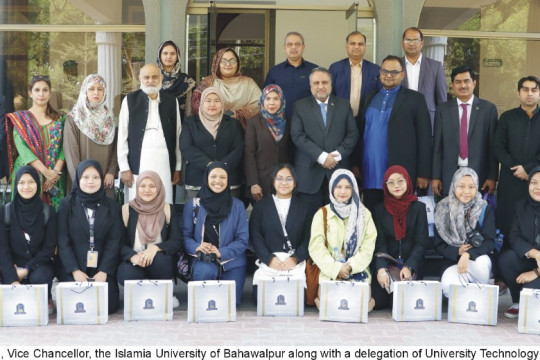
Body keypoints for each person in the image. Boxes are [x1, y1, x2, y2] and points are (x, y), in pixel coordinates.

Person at [354, 55, 432, 212]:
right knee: (372, 217)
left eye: (394, 72)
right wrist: (355, 164)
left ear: (403, 74)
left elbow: (425, 138)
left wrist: (423, 172)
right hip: (369, 172)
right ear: (380, 72)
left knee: (399, 219)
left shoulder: (415, 99)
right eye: (385, 71)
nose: (389, 75)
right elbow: (360, 132)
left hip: (400, 173)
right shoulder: (369, 97)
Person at [290, 67, 359, 216]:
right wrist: (321, 156)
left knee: (338, 222)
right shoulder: (299, 106)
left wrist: (336, 155)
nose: (320, 86)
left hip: (337, 173)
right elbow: (297, 135)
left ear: (331, 84)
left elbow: (353, 134)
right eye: (316, 83)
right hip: (309, 177)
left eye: (324, 82)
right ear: (310, 86)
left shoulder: (343, 105)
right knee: (309, 224)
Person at [57, 160, 121, 314]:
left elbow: (114, 241)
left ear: (101, 180)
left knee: (108, 306)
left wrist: (104, 271)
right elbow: (62, 241)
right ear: (78, 179)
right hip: (75, 267)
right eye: (85, 177)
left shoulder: (112, 206)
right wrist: (74, 270)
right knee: (73, 305)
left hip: (101, 268)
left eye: (95, 177)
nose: (90, 181)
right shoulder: (66, 205)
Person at [308, 169, 376, 308]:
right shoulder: (322, 214)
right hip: (330, 271)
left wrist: (350, 267)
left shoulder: (364, 215)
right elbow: (316, 248)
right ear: (332, 188)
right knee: (329, 305)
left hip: (358, 270)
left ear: (354, 189)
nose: (343, 191)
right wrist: (336, 268)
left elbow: (368, 247)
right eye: (338, 187)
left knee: (360, 306)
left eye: (347, 187)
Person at [183, 162, 249, 305]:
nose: (217, 181)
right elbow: (185, 237)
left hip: (232, 261)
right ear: (206, 178)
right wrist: (197, 247)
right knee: (205, 300)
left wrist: (220, 252)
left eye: (222, 177)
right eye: (213, 176)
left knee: (230, 303)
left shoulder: (237, 205)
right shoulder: (193, 205)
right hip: (203, 260)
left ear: (228, 180)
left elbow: (243, 240)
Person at [117, 63, 182, 204]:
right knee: (138, 204)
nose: (150, 80)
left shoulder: (171, 101)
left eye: (154, 77)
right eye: (146, 77)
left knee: (165, 203)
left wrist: (178, 166)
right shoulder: (129, 100)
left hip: (165, 165)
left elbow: (178, 136)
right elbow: (122, 136)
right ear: (140, 78)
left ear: (161, 77)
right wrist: (124, 168)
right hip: (138, 164)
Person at [432, 66, 498, 197]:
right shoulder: (442, 110)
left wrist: (492, 176)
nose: (463, 85)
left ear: (474, 83)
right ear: (452, 85)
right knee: (451, 214)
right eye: (458, 82)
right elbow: (437, 147)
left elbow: (492, 147)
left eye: (467, 81)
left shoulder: (488, 109)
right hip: (449, 174)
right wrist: (436, 176)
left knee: (476, 215)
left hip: (479, 173)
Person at [0, 166, 56, 314]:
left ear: (37, 184)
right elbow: (2, 249)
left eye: (31, 182)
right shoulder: (5, 211)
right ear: (16, 185)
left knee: (41, 276)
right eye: (21, 182)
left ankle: (45, 297)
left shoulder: (47, 212)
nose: (26, 187)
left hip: (37, 265)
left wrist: (27, 269)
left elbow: (48, 248)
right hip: (12, 265)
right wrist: (13, 279)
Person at [372, 165, 429, 310]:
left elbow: (421, 242)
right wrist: (381, 269)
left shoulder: (419, 208)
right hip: (388, 266)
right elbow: (380, 244)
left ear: (408, 182)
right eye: (391, 182)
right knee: (379, 300)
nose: (396, 185)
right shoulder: (379, 210)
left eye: (400, 181)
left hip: (411, 267)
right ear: (385, 185)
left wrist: (409, 266)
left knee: (402, 303)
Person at [6, 75, 66, 209]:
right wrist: (46, 172)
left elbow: (64, 147)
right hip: (27, 176)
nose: (41, 94)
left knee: (54, 218)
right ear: (30, 93)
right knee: (26, 216)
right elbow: (23, 150)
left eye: (45, 90)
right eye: (37, 90)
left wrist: (55, 173)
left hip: (55, 177)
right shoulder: (20, 119)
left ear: (50, 93)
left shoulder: (60, 119)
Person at [433, 167, 495, 297]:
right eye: (461, 186)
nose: (466, 191)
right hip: (452, 262)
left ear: (477, 187)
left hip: (477, 260)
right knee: (449, 289)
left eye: (471, 187)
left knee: (482, 264)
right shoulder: (443, 209)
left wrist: (468, 254)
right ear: (454, 185)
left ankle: (474, 293)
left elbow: (490, 242)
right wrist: (458, 252)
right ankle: (472, 296)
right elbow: (438, 244)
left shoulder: (483, 207)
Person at [494, 76, 540, 239]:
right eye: (525, 90)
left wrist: (528, 169)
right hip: (510, 179)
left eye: (534, 90)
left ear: (539, 93)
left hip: (536, 180)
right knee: (508, 223)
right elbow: (498, 147)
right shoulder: (507, 117)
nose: (529, 93)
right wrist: (516, 168)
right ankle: (508, 260)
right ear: (518, 93)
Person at [117, 170, 182, 285]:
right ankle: (138, 298)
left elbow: (176, 241)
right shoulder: (126, 209)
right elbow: (119, 242)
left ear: (159, 188)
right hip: (135, 259)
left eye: (152, 186)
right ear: (137, 188)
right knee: (127, 273)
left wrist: (155, 248)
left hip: (158, 260)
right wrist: (133, 257)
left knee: (161, 262)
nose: (147, 190)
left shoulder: (168, 209)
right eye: (143, 186)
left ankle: (165, 294)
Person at [180, 87, 244, 201]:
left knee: (228, 217)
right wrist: (209, 164)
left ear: (222, 103)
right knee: (198, 217)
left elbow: (239, 148)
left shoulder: (233, 123)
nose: (212, 104)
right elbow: (186, 147)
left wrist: (223, 166)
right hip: (197, 179)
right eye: (208, 100)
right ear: (201, 103)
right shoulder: (190, 123)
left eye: (216, 101)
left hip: (229, 180)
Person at [250, 164, 310, 275]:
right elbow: (255, 236)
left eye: (289, 179)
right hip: (267, 265)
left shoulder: (305, 207)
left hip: (295, 265)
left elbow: (309, 238)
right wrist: (269, 259)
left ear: (295, 183)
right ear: (273, 182)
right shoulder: (261, 206)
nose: (284, 183)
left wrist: (296, 258)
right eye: (279, 178)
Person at [63, 74, 117, 198]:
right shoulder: (74, 118)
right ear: (85, 91)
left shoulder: (110, 118)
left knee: (104, 214)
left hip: (105, 180)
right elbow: (71, 153)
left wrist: (111, 172)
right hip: (81, 181)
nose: (96, 92)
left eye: (100, 89)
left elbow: (115, 148)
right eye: (91, 89)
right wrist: (81, 179)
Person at [498, 166, 540, 319]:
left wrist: (535, 273)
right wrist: (535, 254)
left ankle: (527, 300)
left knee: (530, 289)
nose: (537, 188)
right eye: (534, 183)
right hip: (532, 258)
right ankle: (518, 301)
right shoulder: (521, 206)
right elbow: (515, 237)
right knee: (507, 259)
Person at [191, 47, 261, 129]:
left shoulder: (248, 83)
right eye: (223, 61)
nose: (228, 64)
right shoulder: (207, 83)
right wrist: (218, 115)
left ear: (238, 63)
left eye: (232, 61)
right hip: (212, 132)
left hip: (243, 133)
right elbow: (196, 106)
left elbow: (259, 104)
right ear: (217, 63)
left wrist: (238, 114)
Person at [245, 84, 292, 201]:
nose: (271, 103)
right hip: (261, 182)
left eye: (276, 99)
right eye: (268, 98)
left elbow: (292, 152)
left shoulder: (289, 122)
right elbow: (248, 154)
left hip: (284, 182)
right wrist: (253, 183)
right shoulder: (254, 122)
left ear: (282, 100)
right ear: (262, 100)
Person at [263, 32, 318, 119]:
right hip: (280, 122)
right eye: (289, 44)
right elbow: (265, 98)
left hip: (308, 121)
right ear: (284, 48)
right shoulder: (274, 71)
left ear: (303, 47)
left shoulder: (315, 70)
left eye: (297, 44)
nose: (293, 47)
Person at [401, 27, 447, 128]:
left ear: (422, 43)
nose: (411, 44)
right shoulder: (396, 66)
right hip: (401, 121)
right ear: (402, 43)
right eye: (408, 40)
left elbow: (442, 100)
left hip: (428, 121)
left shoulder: (435, 66)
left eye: (415, 40)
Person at [329, 31, 380, 117]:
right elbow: (329, 94)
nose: (356, 47)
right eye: (353, 43)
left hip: (366, 118)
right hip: (340, 118)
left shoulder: (375, 70)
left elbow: (379, 96)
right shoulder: (335, 68)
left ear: (365, 47)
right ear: (346, 46)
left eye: (360, 44)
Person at [157, 40, 197, 120]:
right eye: (165, 53)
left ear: (177, 56)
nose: (169, 57)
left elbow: (189, 112)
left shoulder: (185, 81)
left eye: (172, 53)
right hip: (156, 128)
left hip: (180, 127)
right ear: (159, 56)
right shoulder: (153, 79)